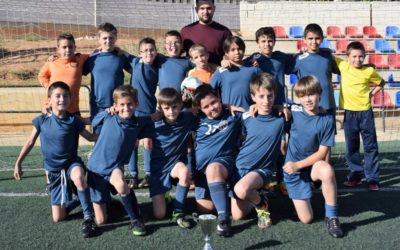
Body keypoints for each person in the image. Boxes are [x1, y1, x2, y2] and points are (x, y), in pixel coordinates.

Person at [14, 82, 97, 238]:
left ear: (70, 99)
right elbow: (30, 141)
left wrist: (111, 133)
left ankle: (88, 217)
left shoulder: (74, 120)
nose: (62, 99)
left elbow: (91, 137)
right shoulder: (41, 120)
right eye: (57, 96)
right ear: (49, 100)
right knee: (58, 217)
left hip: (72, 164)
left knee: (79, 177)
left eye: (65, 96)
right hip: (54, 171)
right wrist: (18, 162)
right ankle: (81, 199)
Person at [86, 85, 153, 236]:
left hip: (114, 167)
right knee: (102, 220)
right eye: (122, 105)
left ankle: (136, 219)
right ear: (115, 106)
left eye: (130, 104)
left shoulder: (139, 122)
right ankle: (108, 202)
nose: (126, 108)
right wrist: (106, 111)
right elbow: (94, 120)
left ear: (136, 104)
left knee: (122, 185)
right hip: (95, 168)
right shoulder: (108, 116)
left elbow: (154, 120)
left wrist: (158, 115)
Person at [283, 75, 343, 238]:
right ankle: (301, 194)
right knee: (307, 219)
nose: (307, 99)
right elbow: (276, 109)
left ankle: (332, 217)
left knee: (327, 171)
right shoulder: (293, 111)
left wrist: (298, 164)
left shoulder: (327, 119)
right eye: (302, 95)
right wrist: (275, 108)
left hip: (310, 166)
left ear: (320, 93)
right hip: (293, 171)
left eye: (311, 94)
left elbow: (322, 153)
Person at [231, 73, 285, 229]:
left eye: (270, 96)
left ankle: (262, 205)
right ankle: (256, 194)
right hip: (240, 168)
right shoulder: (247, 117)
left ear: (275, 95)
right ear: (253, 97)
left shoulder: (281, 118)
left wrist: (280, 107)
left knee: (241, 189)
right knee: (238, 215)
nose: (266, 101)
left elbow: (305, 106)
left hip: (262, 170)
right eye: (261, 96)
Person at [246, 26, 293, 195]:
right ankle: (264, 181)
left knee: (282, 146)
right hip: (263, 110)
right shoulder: (252, 59)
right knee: (264, 146)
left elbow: (297, 61)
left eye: (270, 41)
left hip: (280, 109)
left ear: (275, 41)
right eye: (263, 41)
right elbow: (240, 70)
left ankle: (282, 181)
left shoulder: (281, 57)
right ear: (257, 43)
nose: (267, 44)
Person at [192, 84, 242, 237]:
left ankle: (224, 220)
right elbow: (171, 114)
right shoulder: (195, 119)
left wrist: (229, 106)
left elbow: (255, 111)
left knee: (238, 214)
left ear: (220, 98)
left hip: (223, 163)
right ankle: (225, 192)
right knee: (205, 209)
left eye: (214, 102)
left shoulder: (232, 115)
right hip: (201, 173)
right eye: (206, 106)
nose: (212, 108)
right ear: (200, 109)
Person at [335, 41, 384, 191]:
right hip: (349, 114)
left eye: (361, 56)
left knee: (370, 146)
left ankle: (372, 179)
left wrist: (370, 95)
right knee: (352, 147)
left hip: (365, 113)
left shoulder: (368, 71)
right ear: (347, 57)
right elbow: (329, 55)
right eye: (354, 56)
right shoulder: (343, 66)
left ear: (364, 57)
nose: (358, 60)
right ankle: (356, 175)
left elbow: (381, 82)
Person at [291, 23, 338, 162]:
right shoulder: (299, 59)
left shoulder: (328, 57)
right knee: (310, 139)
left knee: (326, 143)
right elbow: (283, 68)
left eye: (317, 38)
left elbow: (345, 69)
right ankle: (310, 172)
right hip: (308, 108)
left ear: (322, 39)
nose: (314, 42)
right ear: (304, 39)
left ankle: (326, 170)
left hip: (327, 105)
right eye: (310, 38)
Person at [149, 88, 194, 229]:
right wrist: (112, 110)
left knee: (185, 172)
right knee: (159, 215)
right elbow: (131, 122)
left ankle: (178, 212)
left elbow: (209, 112)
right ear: (160, 108)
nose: (171, 111)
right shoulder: (153, 122)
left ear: (181, 104)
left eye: (174, 107)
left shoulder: (187, 117)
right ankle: (166, 194)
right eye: (166, 108)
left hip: (176, 164)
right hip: (158, 169)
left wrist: (227, 106)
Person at [83, 22, 131, 134]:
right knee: (98, 136)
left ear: (116, 39)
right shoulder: (92, 58)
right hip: (98, 105)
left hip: (118, 104)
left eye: (111, 38)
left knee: (117, 135)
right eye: (104, 38)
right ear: (98, 39)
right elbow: (76, 70)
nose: (108, 41)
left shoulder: (120, 56)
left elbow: (136, 71)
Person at [126, 37, 159, 189]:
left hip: (149, 112)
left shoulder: (158, 66)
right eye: (145, 50)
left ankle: (149, 174)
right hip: (133, 111)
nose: (148, 53)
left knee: (148, 142)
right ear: (140, 53)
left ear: (156, 52)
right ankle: (133, 175)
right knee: (133, 142)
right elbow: (120, 52)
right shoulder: (134, 62)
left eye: (152, 50)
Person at [38, 32, 88, 116]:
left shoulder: (80, 59)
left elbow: (97, 53)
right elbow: (41, 76)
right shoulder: (52, 62)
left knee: (78, 128)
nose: (68, 50)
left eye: (70, 47)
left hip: (72, 109)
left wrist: (116, 49)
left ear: (75, 47)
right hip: (52, 108)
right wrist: (49, 87)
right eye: (64, 47)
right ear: (58, 49)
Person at [210, 36, 262, 110]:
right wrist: (221, 105)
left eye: (239, 49)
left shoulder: (254, 69)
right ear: (226, 53)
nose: (237, 52)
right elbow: (209, 91)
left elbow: (264, 88)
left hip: (250, 112)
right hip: (229, 114)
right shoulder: (221, 71)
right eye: (233, 50)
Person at [181, 0, 231, 65]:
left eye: (209, 8)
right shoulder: (186, 31)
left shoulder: (224, 32)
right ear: (196, 10)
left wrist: (226, 60)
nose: (205, 12)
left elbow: (231, 53)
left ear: (214, 9)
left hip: (216, 73)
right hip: (193, 74)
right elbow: (177, 55)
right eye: (202, 8)